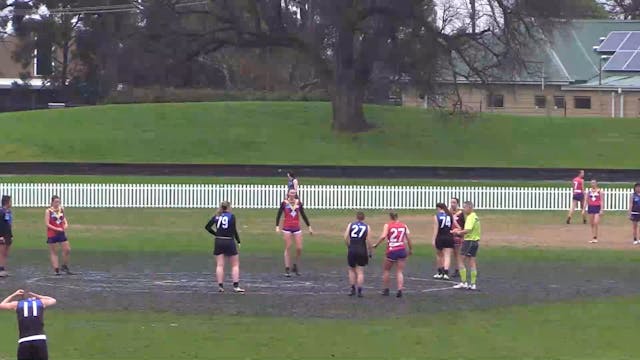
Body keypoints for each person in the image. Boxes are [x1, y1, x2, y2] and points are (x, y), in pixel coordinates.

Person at [0, 289, 56, 360]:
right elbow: (53, 300)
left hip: (24, 340)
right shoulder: (41, 302)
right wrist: (37, 295)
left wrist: (14, 294)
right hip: (40, 339)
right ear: (33, 297)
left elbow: (1, 305)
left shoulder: (17, 304)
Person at [205, 201, 244, 293]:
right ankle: (236, 286)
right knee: (235, 264)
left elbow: (207, 227)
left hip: (218, 241)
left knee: (220, 265)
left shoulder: (217, 216)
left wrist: (216, 234)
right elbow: (234, 230)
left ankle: (220, 286)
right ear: (229, 207)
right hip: (229, 240)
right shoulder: (231, 216)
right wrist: (238, 240)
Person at [372, 212, 413, 298]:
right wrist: (410, 249)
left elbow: (383, 236)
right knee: (399, 271)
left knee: (387, 270)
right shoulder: (404, 225)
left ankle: (386, 289)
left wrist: (376, 244)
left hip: (391, 249)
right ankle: (400, 290)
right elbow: (408, 239)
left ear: (390, 217)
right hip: (401, 249)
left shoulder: (388, 225)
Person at [276, 189, 313, 277]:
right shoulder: (284, 203)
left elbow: (303, 214)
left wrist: (309, 226)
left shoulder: (298, 203)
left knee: (299, 248)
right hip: (287, 227)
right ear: (288, 193)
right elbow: (279, 214)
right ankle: (287, 268)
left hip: (296, 227)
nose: (292, 194)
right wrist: (277, 226)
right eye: (291, 192)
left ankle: (295, 265)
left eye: (294, 193)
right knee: (288, 247)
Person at [452, 201, 481, 290]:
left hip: (469, 241)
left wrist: (457, 232)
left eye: (464, 207)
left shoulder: (470, 217)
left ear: (469, 208)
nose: (463, 209)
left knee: (460, 260)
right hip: (475, 241)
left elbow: (467, 230)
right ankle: (473, 284)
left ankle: (464, 282)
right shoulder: (476, 217)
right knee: (472, 262)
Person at [343, 212, 371, 298]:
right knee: (360, 271)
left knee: (351, 270)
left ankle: (352, 289)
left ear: (356, 217)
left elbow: (345, 237)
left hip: (352, 248)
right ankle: (359, 290)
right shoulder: (367, 227)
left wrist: (349, 246)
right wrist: (370, 251)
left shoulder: (351, 225)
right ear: (364, 218)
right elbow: (369, 241)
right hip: (362, 249)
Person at [45, 196, 73, 276]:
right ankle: (56, 270)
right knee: (54, 251)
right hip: (52, 233)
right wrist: (56, 228)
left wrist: (66, 224)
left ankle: (64, 266)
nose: (57, 204)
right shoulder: (48, 211)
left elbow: (63, 218)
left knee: (67, 249)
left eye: (58, 202)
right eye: (56, 202)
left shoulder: (61, 209)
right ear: (52, 202)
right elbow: (47, 223)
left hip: (61, 232)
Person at [432, 203, 458, 281]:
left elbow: (436, 229)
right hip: (449, 236)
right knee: (447, 255)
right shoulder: (450, 215)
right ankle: (446, 273)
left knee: (439, 255)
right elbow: (454, 225)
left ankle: (440, 272)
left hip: (440, 236)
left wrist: (433, 239)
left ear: (439, 208)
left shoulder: (437, 216)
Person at [449, 197, 465, 278]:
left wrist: (461, 232)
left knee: (458, 253)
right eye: (451, 202)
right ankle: (456, 268)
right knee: (453, 254)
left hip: (458, 235)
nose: (452, 204)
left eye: (454, 202)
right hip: (450, 234)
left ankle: (458, 269)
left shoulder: (461, 213)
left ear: (457, 203)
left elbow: (463, 224)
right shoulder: (448, 213)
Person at [586, 180, 604, 244]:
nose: (593, 184)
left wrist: (602, 209)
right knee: (591, 224)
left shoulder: (600, 191)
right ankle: (593, 237)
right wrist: (583, 209)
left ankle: (595, 237)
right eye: (591, 183)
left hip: (597, 207)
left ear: (596, 184)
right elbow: (586, 200)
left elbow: (602, 201)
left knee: (596, 222)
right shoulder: (589, 191)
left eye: (594, 183)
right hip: (591, 207)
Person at [0, 195, 13, 278]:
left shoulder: (8, 212)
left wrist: (11, 235)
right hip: (2, 234)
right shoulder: (1, 212)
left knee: (5, 253)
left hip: (8, 234)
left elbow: (9, 224)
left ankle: (3, 268)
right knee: (1, 253)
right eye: (10, 201)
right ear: (7, 202)